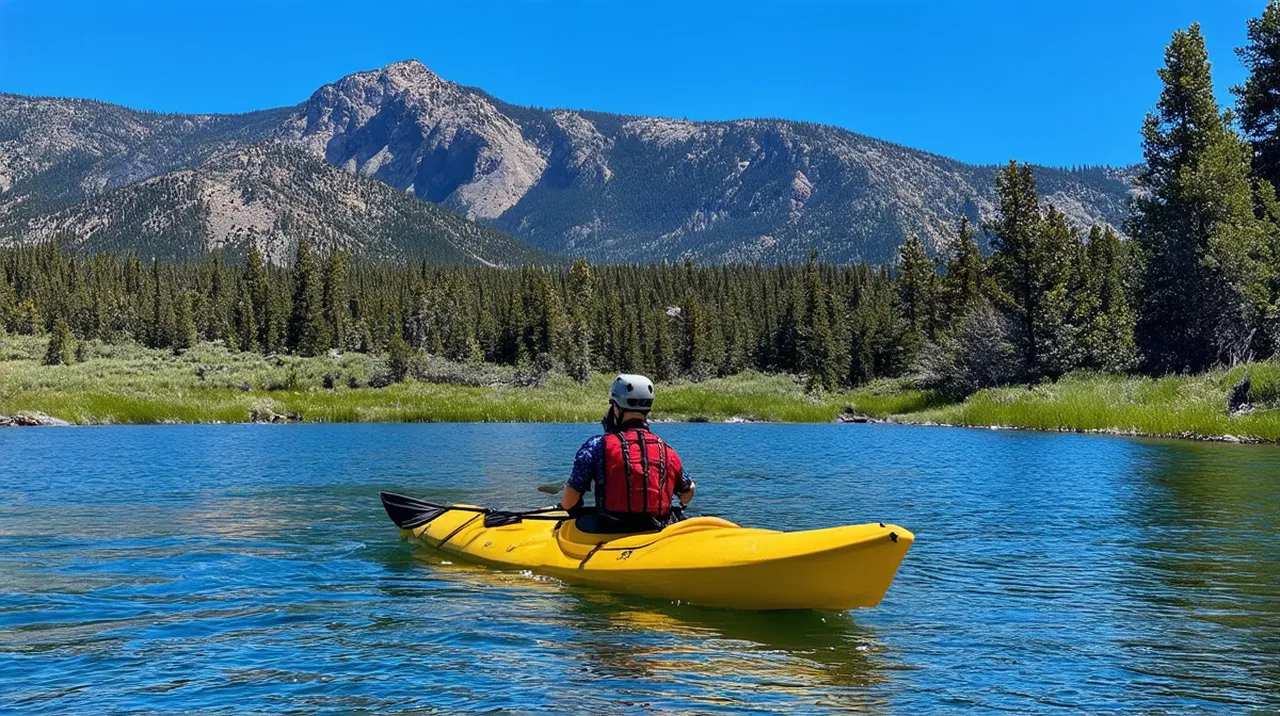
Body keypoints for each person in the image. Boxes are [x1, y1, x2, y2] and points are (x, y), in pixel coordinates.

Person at [562, 374, 695, 533]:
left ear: (617, 409)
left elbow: (568, 502)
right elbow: (688, 491)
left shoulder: (596, 446)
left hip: (610, 530)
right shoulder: (667, 450)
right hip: (656, 530)